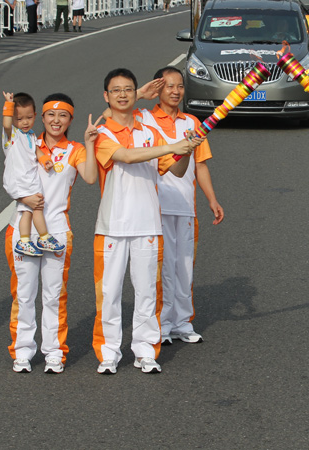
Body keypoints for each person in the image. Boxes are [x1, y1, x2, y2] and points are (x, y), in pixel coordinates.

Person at [91, 68, 201, 375]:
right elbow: (126, 156)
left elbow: (175, 171)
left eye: (129, 89)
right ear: (107, 96)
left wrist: (187, 150)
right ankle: (109, 352)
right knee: (110, 294)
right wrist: (171, 146)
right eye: (117, 90)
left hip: (149, 224)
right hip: (112, 225)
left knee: (147, 294)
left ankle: (145, 350)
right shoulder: (102, 134)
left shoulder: (149, 132)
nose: (123, 95)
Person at [5, 95, 98, 374]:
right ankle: (22, 350)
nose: (56, 120)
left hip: (56, 230)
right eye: (50, 115)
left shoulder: (75, 150)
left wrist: (91, 143)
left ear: (70, 119)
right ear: (41, 117)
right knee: (23, 294)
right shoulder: (24, 141)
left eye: (63, 115)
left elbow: (91, 177)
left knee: (53, 295)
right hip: (22, 230)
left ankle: (54, 351)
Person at [136, 67, 224, 346]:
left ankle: (182, 323)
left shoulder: (192, 123)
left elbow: (200, 164)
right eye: (169, 86)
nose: (175, 92)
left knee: (184, 266)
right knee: (160, 269)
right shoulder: (143, 119)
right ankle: (160, 325)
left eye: (180, 87)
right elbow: (114, 113)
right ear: (158, 88)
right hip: (155, 206)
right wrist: (138, 95)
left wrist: (212, 199)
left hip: (185, 206)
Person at [1, 92, 66, 257]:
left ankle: (33, 239)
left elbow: (36, 150)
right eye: (19, 118)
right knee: (32, 208)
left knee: (31, 209)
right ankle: (33, 239)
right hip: (19, 180)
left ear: (35, 116)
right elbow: (7, 124)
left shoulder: (30, 135)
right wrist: (8, 105)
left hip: (29, 179)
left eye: (29, 117)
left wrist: (44, 160)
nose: (24, 122)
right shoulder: (12, 134)